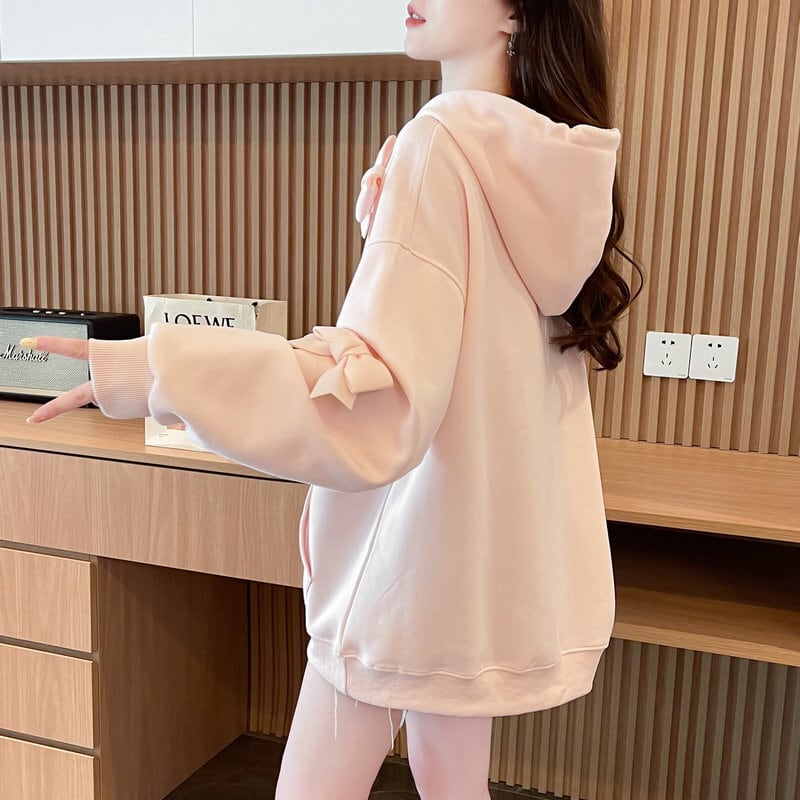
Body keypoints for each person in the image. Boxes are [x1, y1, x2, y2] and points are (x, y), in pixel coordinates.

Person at [24, 1, 642, 797]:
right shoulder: (542, 166)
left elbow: (373, 399)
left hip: (407, 557)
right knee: (452, 780)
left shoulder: (439, 147)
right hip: (478, 565)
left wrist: (159, 373)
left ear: (517, 13)